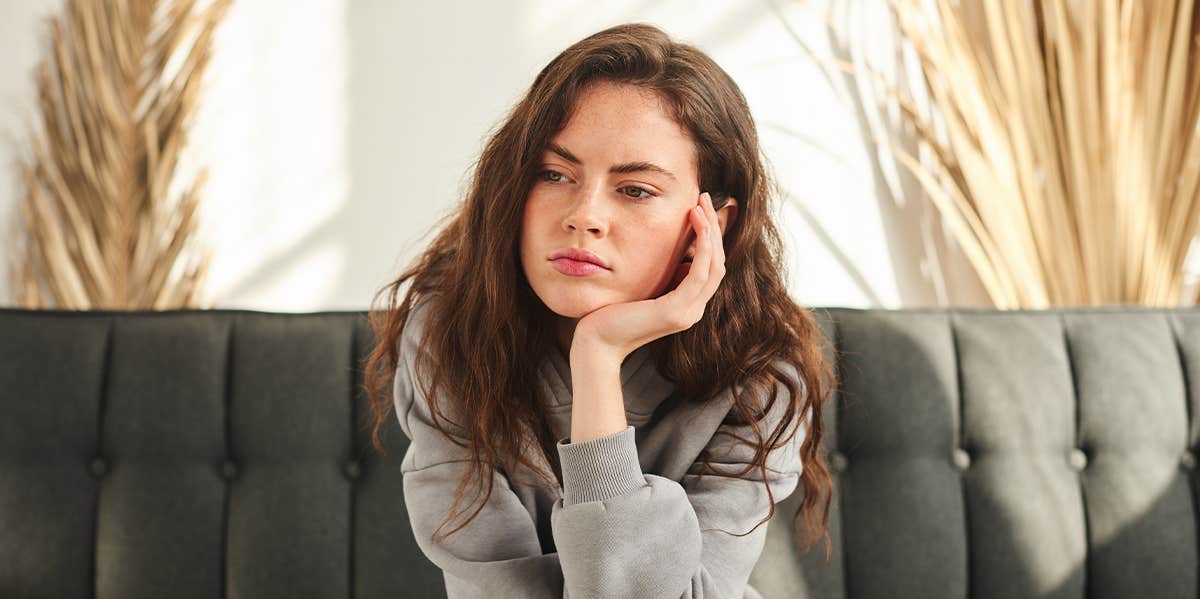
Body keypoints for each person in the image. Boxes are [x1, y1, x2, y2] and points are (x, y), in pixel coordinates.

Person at [363, 21, 835, 598]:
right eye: (553, 174)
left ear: (709, 226)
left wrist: (598, 357)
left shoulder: (762, 379)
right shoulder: (449, 335)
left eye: (635, 189)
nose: (583, 215)